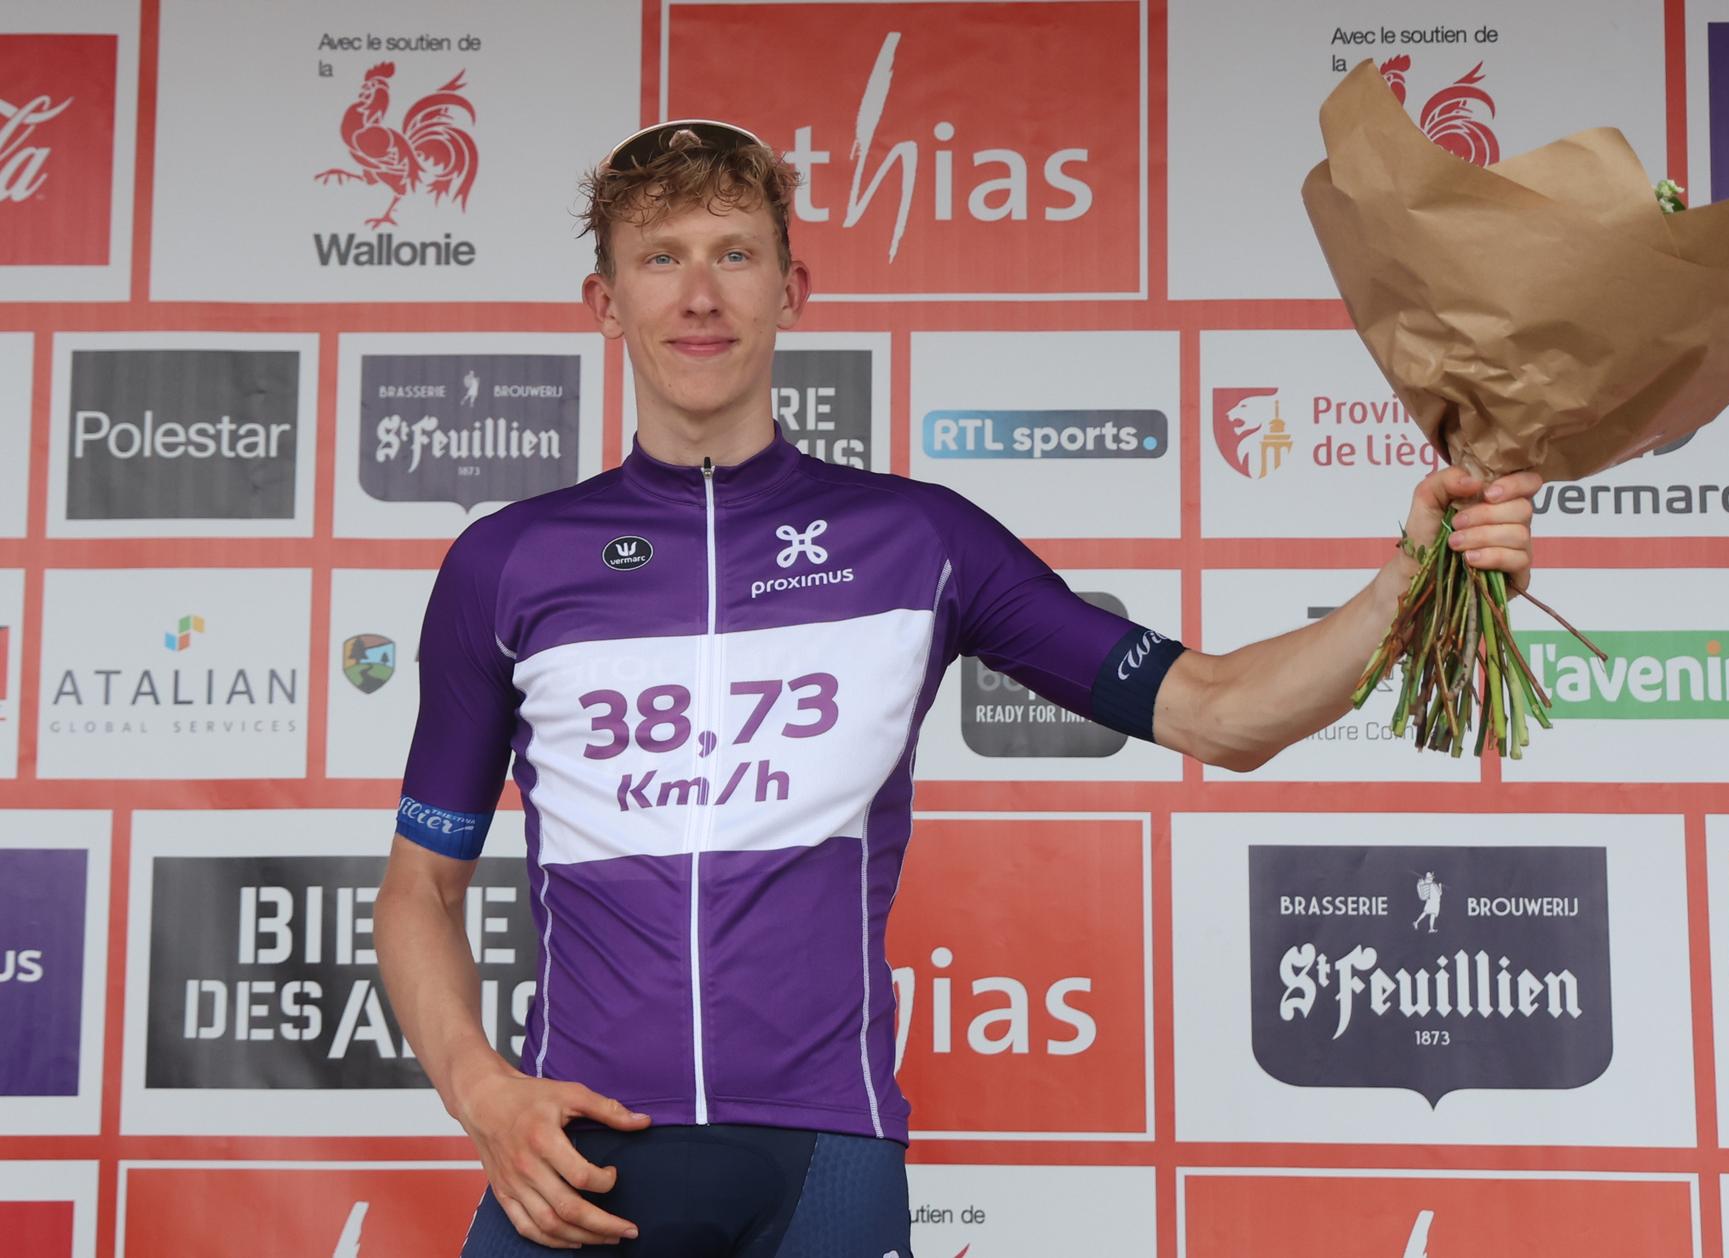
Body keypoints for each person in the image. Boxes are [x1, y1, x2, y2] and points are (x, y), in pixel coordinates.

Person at [372, 120, 1541, 1255]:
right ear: (605, 301)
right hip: (573, 1164)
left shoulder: (917, 539)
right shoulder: (507, 563)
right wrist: (482, 1090)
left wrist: (1410, 580)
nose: (700, 295)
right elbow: (420, 887)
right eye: (660, 259)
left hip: (823, 1168)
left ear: (793, 289)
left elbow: (1221, 712)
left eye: (734, 253)